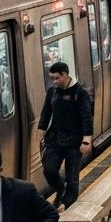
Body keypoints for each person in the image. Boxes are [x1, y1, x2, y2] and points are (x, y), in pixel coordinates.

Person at [38, 61, 93, 209]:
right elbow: (45, 114)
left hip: (74, 141)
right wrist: (41, 134)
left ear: (65, 75)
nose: (54, 82)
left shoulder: (80, 93)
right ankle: (60, 188)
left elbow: (86, 117)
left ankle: (67, 205)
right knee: (49, 169)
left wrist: (86, 140)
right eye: (52, 79)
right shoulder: (52, 92)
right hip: (55, 139)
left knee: (72, 177)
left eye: (57, 78)